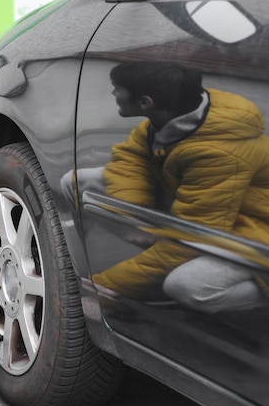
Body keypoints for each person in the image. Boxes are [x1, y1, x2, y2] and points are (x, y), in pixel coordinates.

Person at [89, 61, 269, 310]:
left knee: (185, 286)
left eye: (118, 89)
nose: (114, 94)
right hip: (213, 211)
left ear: (145, 103)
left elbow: (194, 234)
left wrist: (105, 287)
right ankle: (161, 257)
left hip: (254, 231)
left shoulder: (218, 154)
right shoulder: (181, 109)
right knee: (79, 183)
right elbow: (132, 155)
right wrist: (132, 207)